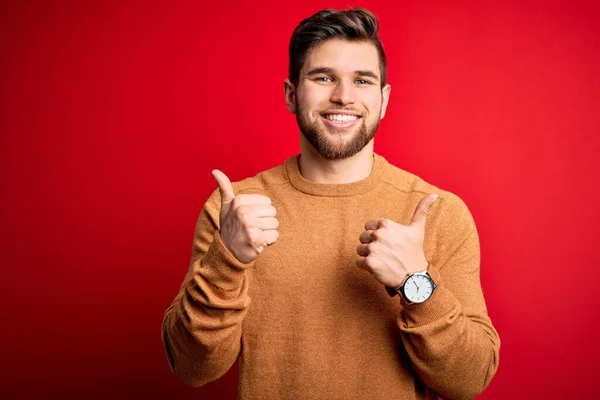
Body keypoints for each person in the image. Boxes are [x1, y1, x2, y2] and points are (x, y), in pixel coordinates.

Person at [161, 7, 500, 400]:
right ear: (291, 94)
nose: (343, 96)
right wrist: (227, 260)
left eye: (363, 80)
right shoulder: (234, 210)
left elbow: (470, 380)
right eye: (323, 77)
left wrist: (414, 280)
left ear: (384, 99)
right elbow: (192, 367)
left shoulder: (440, 213)